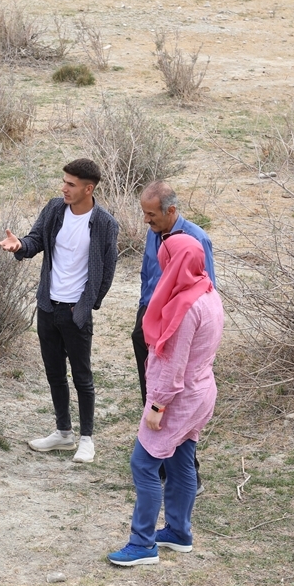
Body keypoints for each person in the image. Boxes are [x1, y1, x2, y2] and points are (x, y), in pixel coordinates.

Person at [108, 233, 224, 566]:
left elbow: (173, 365)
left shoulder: (184, 308)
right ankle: (179, 532)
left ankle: (142, 543)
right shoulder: (207, 291)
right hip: (201, 391)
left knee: (143, 464)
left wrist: (157, 406)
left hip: (178, 397)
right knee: (181, 461)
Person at [0, 158, 118, 464]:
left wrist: (88, 304)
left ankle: (87, 440)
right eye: (64, 181)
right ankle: (64, 433)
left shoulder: (105, 223)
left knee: (82, 376)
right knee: (54, 373)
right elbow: (36, 239)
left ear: (88, 189)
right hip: (48, 306)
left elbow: (107, 271)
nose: (64, 188)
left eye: (71, 184)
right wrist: (20, 246)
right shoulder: (54, 209)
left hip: (76, 311)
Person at [133, 181, 216, 494]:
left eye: (151, 214)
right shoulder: (154, 234)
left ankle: (184, 475)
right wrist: (144, 317)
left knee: (174, 399)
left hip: (178, 326)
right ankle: (160, 457)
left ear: (171, 210)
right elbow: (148, 276)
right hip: (151, 322)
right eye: (144, 213)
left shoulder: (196, 239)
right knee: (152, 391)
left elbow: (206, 286)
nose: (146, 220)